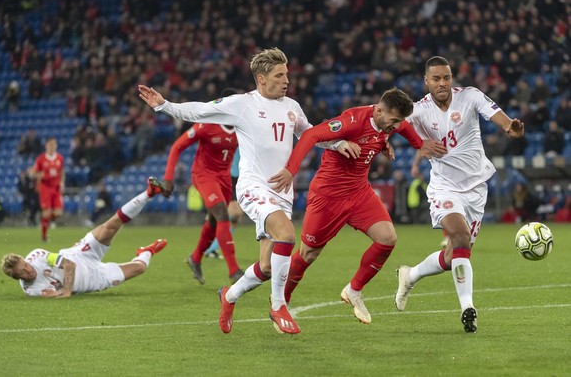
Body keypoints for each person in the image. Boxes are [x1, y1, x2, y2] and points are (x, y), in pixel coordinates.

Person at [138, 47, 358, 335]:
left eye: (287, 75)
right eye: (279, 75)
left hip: (281, 192)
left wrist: (337, 144)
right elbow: (200, 109)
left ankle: (228, 296)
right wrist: (163, 104)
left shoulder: (292, 106)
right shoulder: (242, 104)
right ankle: (279, 306)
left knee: (267, 268)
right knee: (288, 235)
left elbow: (310, 134)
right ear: (261, 79)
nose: (286, 80)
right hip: (253, 187)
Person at [269, 88, 447, 324]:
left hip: (359, 192)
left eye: (398, 121)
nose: (395, 126)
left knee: (387, 238)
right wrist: (291, 169)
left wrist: (417, 144)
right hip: (328, 196)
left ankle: (353, 290)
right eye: (392, 121)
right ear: (379, 110)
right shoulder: (351, 121)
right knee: (308, 253)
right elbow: (311, 135)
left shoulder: (389, 121)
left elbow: (402, 126)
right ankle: (281, 301)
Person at [395, 56, 524, 333]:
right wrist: (416, 144)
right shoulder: (418, 110)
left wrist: (509, 126)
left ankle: (410, 275)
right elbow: (392, 123)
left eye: (447, 78)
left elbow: (498, 116)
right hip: (445, 187)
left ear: (451, 78)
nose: (442, 83)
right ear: (426, 81)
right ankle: (468, 309)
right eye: (437, 79)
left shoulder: (470, 97)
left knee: (456, 255)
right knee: (460, 237)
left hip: (477, 189)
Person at [0, 177, 168, 298]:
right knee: (139, 268)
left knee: (109, 227)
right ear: (17, 278)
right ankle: (147, 252)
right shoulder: (31, 290)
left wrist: (65, 291)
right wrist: (61, 292)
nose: (28, 269)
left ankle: (148, 193)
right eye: (23, 272)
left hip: (79, 254)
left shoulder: (37, 255)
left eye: (26, 265)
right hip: (93, 279)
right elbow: (52, 295)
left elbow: (68, 265)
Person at [162, 89, 244, 285]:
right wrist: (168, 178)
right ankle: (234, 271)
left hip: (224, 178)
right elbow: (177, 146)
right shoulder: (207, 125)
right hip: (204, 175)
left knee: (214, 221)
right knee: (224, 215)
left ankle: (195, 258)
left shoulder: (242, 128)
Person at [204, 149, 244, 259]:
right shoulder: (232, 134)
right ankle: (209, 248)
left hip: (240, 177)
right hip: (228, 176)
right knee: (234, 215)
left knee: (236, 218)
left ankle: (212, 248)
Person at [31, 137, 65, 242]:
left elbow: (62, 172)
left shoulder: (60, 158)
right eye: (50, 144)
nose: (52, 146)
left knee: (58, 213)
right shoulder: (41, 159)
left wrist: (62, 183)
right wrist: (38, 174)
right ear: (46, 145)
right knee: (47, 212)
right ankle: (44, 236)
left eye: (54, 144)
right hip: (45, 187)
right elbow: (32, 173)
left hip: (56, 188)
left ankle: (48, 220)